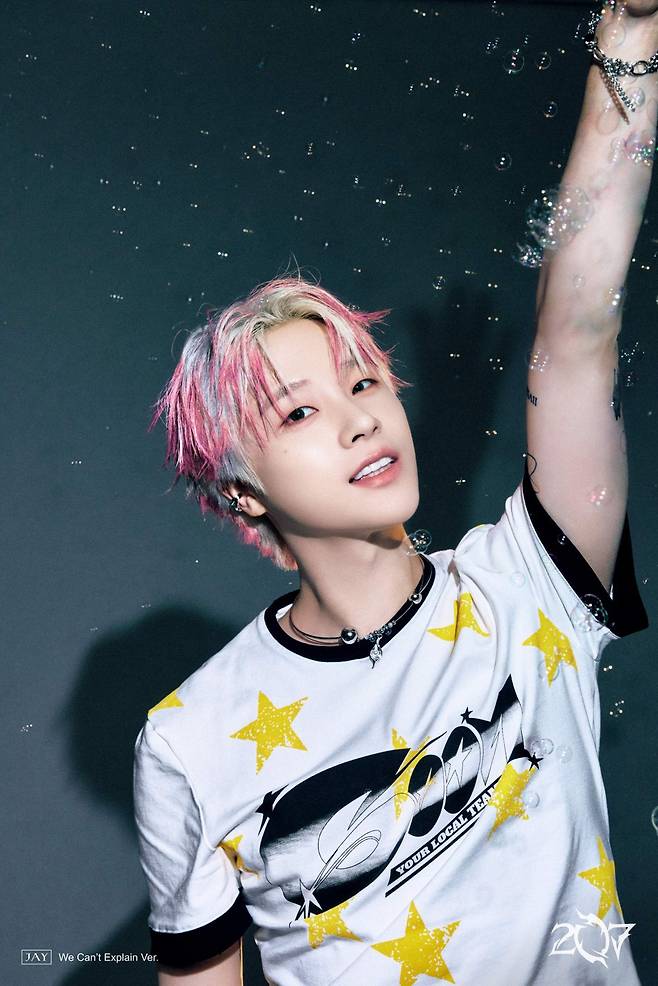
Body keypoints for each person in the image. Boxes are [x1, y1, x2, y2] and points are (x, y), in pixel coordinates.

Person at [132, 2, 657, 984]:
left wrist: (628, 39)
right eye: (298, 411)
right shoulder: (190, 737)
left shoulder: (530, 582)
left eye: (365, 382)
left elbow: (579, 331)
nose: (358, 419)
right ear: (241, 493)